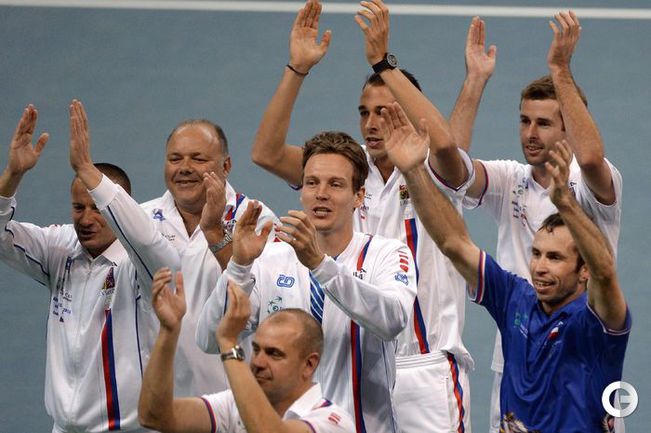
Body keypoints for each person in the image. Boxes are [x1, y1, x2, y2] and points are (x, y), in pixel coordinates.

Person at [250, 1, 474, 431]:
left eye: (385, 111)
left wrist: (383, 63)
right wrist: (297, 69)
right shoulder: (346, 172)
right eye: (365, 112)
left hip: (423, 366)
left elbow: (445, 141)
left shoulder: (434, 169)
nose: (372, 122)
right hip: (357, 362)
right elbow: (267, 152)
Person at [379, 101, 630, 433]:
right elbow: (454, 242)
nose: (540, 267)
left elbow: (605, 272)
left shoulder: (598, 322)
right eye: (537, 254)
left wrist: (566, 205)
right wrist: (414, 172)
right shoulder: (516, 299)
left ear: (584, 271)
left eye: (555, 258)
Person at [449, 12, 623, 432]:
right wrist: (475, 81)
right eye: (525, 120)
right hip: (517, 356)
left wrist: (560, 70)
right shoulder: (510, 179)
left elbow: (591, 157)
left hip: (582, 359)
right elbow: (449, 170)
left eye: (544, 123)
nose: (530, 133)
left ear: (568, 128)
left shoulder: (593, 184)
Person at [199, 131, 417, 433]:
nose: (321, 193)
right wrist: (239, 266)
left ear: (359, 196)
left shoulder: (387, 254)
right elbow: (209, 339)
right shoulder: (270, 259)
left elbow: (392, 320)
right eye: (312, 183)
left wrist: (319, 265)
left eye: (335, 184)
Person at [68, 100, 279, 397]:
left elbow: (263, 301)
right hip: (162, 401)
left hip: (234, 396)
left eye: (198, 159)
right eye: (175, 159)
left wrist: (217, 236)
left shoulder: (256, 220)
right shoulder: (140, 219)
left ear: (226, 166)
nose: (184, 169)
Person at [0, 105, 168, 432]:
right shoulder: (61, 248)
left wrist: (86, 169)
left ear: (119, 209)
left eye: (97, 208)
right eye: (78, 208)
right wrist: (13, 174)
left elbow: (153, 247)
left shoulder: (141, 265)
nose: (86, 219)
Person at [138, 268, 355, 433]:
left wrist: (229, 343)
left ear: (309, 364)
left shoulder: (332, 421)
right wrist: (169, 331)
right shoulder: (234, 404)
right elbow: (153, 416)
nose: (258, 362)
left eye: (274, 354)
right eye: (256, 350)